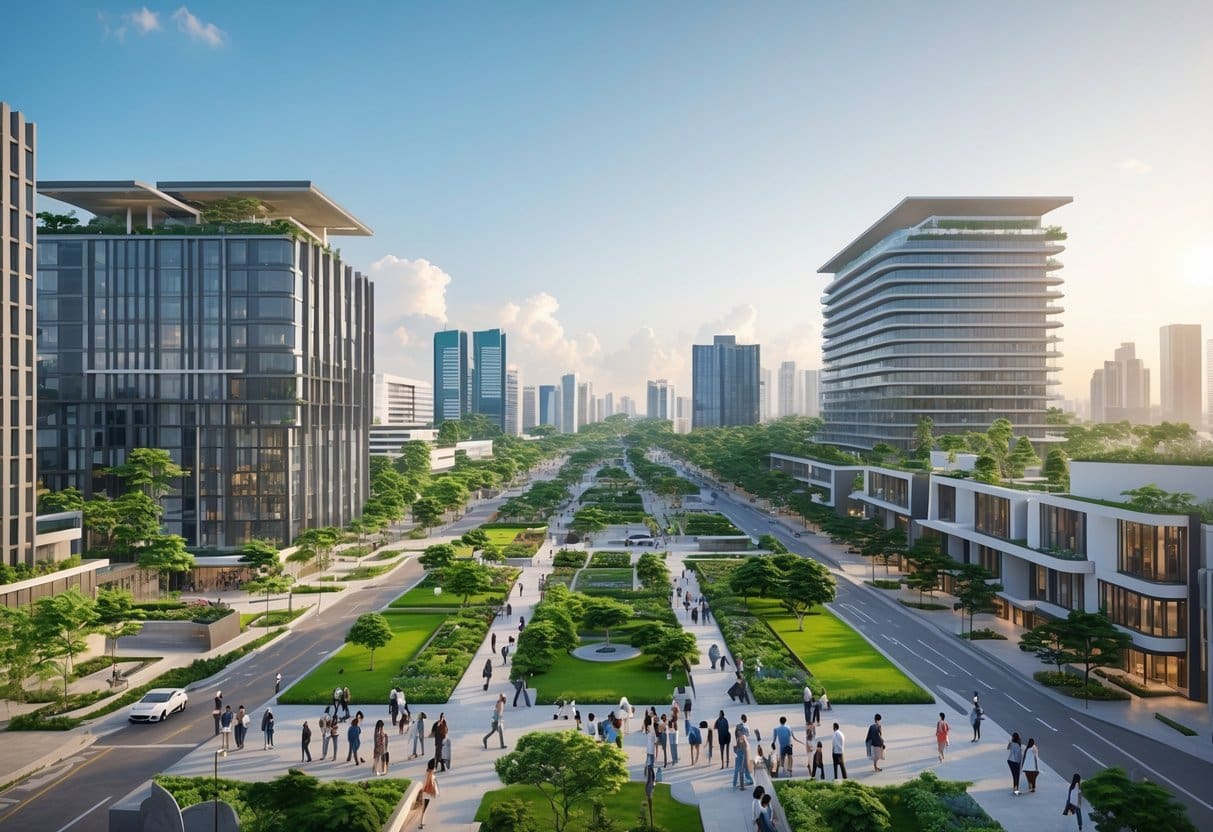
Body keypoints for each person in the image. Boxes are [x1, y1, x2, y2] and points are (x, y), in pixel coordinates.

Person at [419, 759, 439, 829]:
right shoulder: (429, 775)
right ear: (433, 768)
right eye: (435, 767)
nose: (435, 769)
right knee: (424, 809)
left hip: (426, 794)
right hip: (426, 794)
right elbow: (425, 784)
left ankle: (421, 823)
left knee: (424, 809)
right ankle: (420, 824)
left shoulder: (429, 774)